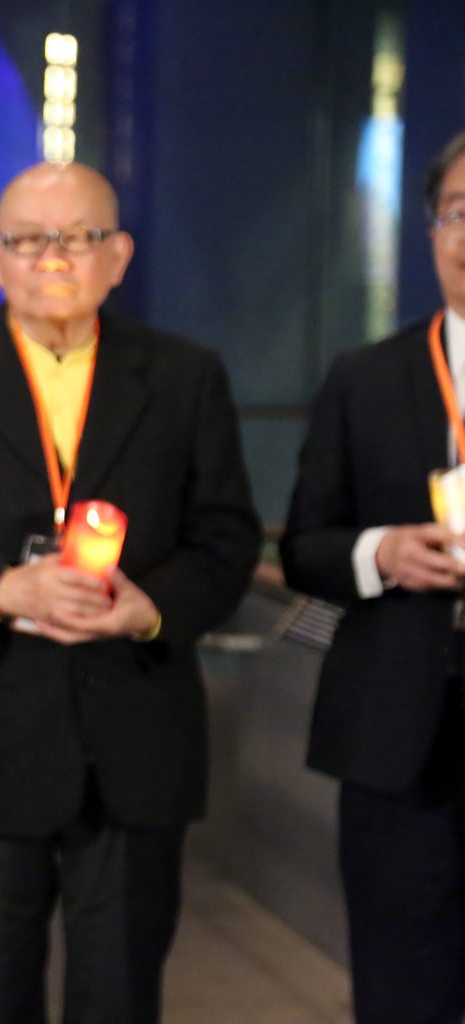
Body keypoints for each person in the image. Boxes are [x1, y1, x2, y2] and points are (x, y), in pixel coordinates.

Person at [0, 161, 259, 1023]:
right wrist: (2, 586)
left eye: (79, 238)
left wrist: (150, 607)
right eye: (29, 240)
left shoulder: (186, 376)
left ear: (118, 256)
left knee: (120, 992)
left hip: (139, 729)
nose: (53, 258)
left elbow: (228, 537)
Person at [281, 130, 465, 1024]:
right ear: (431, 231)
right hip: (399, 734)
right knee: (400, 986)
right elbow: (305, 544)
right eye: (459, 212)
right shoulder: (367, 377)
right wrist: (380, 552)